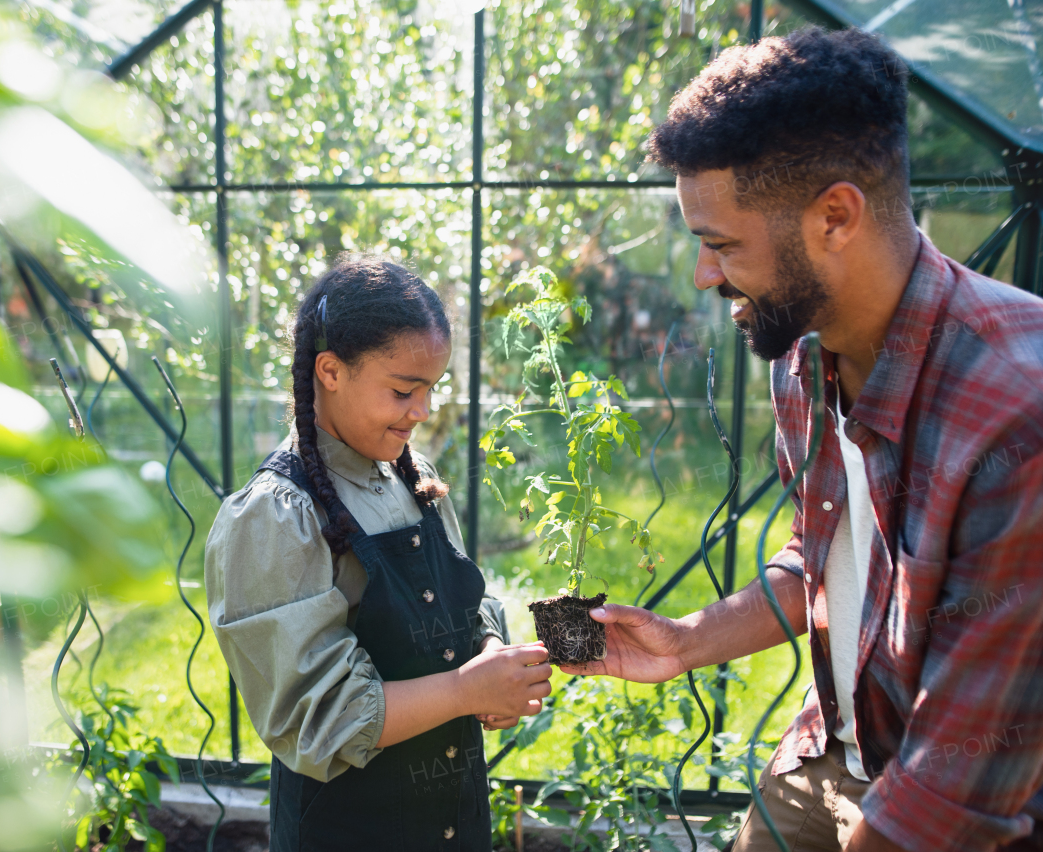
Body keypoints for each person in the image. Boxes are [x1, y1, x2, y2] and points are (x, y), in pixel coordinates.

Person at [561, 26, 1043, 852]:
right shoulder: (802, 351)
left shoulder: (1016, 415)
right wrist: (688, 642)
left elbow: (950, 802)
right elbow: (823, 556)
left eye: (720, 245)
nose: (705, 277)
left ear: (835, 217)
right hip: (832, 750)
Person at [204, 256, 553, 852]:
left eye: (431, 390)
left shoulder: (412, 479)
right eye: (402, 390)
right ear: (331, 371)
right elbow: (320, 720)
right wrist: (466, 691)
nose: (422, 412)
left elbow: (466, 602)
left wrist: (489, 652)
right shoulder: (276, 516)